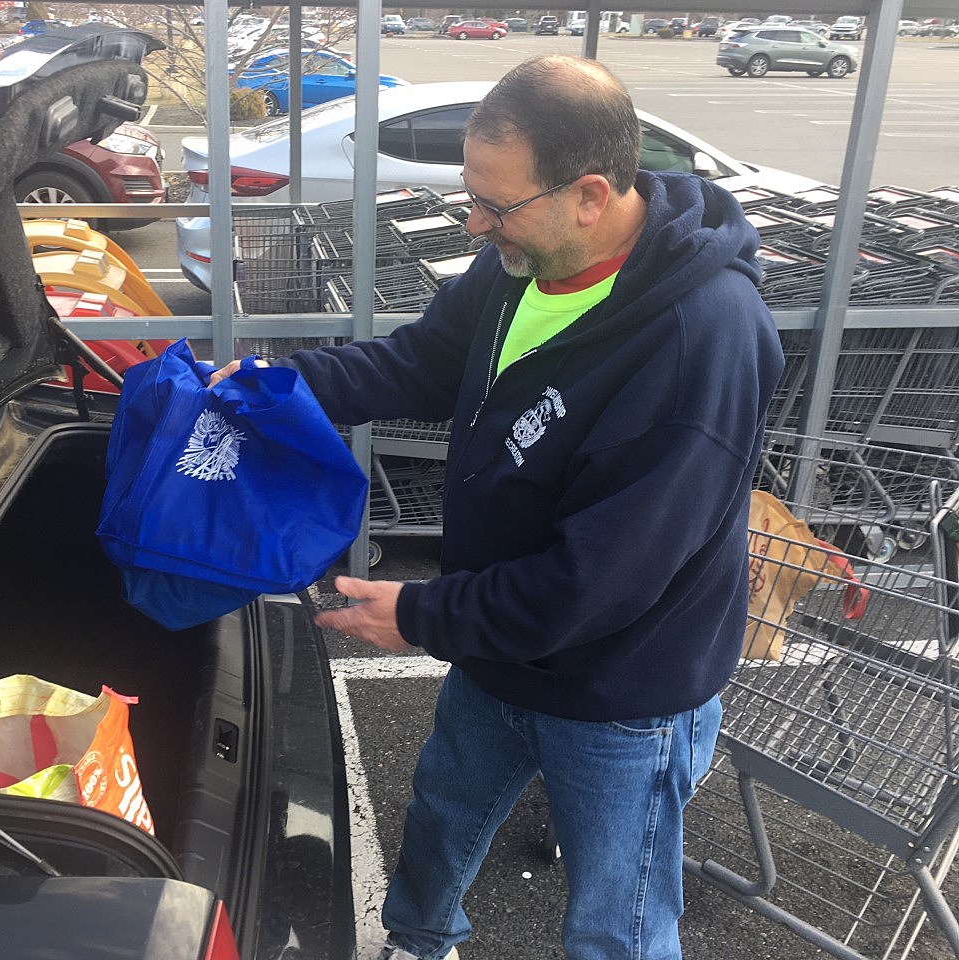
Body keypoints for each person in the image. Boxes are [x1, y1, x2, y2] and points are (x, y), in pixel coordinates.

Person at [211, 54, 783, 960]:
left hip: (618, 689)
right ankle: (418, 941)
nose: (477, 224)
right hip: (499, 649)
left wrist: (426, 615)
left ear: (591, 194)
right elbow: (417, 361)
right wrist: (272, 388)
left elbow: (602, 580)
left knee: (616, 917)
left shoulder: (701, 340)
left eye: (497, 204)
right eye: (472, 195)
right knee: (443, 813)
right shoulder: (523, 264)